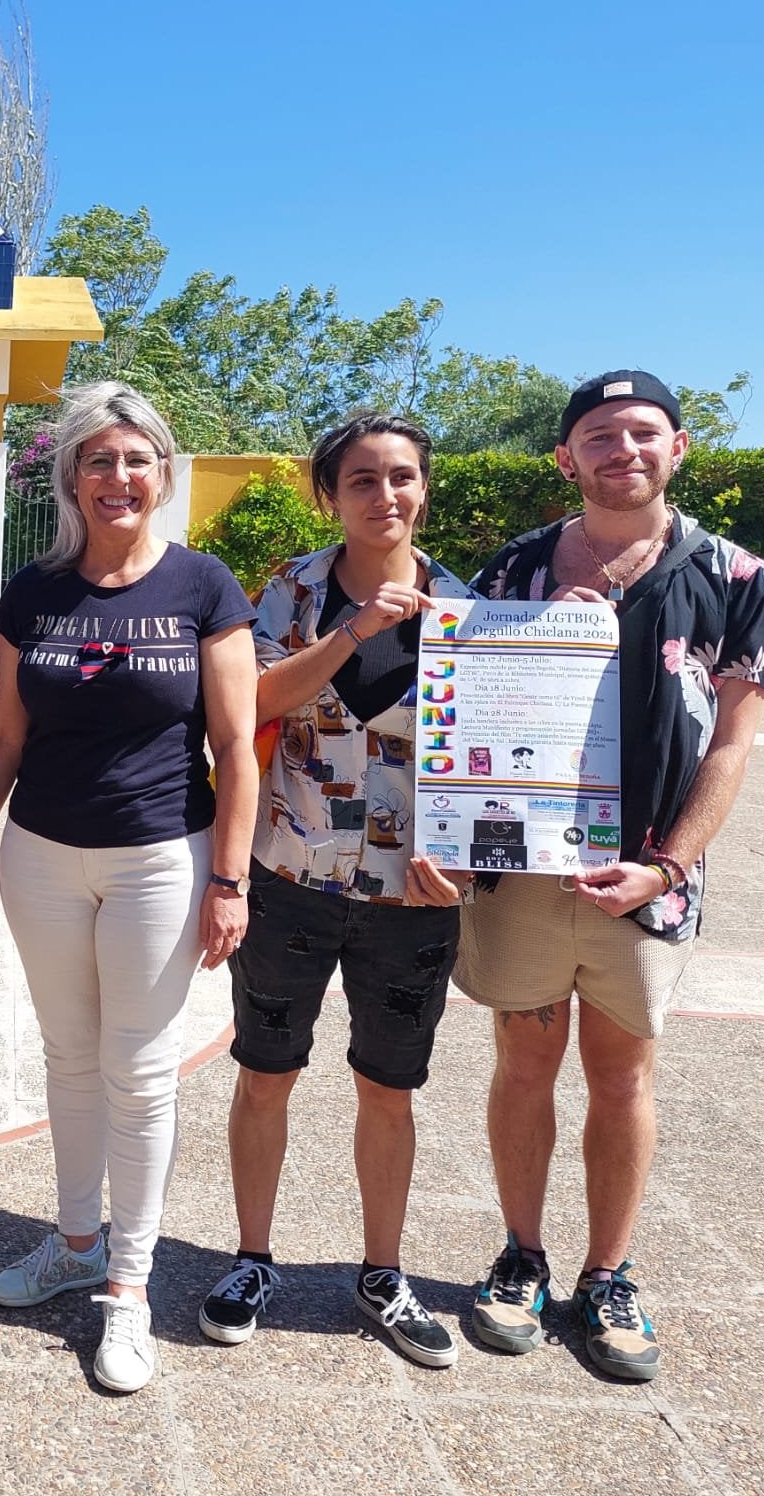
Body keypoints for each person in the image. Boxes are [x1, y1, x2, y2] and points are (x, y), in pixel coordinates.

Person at [459, 371, 764, 1381]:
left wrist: (665, 866)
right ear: (566, 457)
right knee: (520, 1062)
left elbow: (729, 745)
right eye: (598, 436)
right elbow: (462, 720)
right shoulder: (509, 572)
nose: (621, 451)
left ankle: (606, 1273)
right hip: (520, 872)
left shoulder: (734, 576)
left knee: (621, 1072)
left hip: (644, 877)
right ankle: (519, 1257)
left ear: (677, 448)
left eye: (642, 434)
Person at [0, 380, 259, 1393]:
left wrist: (226, 882)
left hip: (161, 859)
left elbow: (236, 748)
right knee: (66, 1055)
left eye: (135, 458)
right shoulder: (34, 591)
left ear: (161, 471)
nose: (117, 476)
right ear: (69, 481)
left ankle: (129, 1291)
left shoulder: (201, 586)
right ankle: (72, 1242)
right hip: (42, 855)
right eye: (95, 461)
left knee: (137, 1072)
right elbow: (8, 733)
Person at [195, 414, 473, 1369]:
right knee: (265, 1075)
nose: (384, 495)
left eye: (402, 477)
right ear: (331, 494)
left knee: (388, 1091)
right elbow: (253, 704)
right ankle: (253, 1259)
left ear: (425, 488)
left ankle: (382, 1273)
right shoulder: (288, 593)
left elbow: (500, 766)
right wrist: (354, 630)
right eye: (361, 479)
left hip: (414, 896)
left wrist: (472, 861)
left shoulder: (472, 612)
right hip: (291, 877)